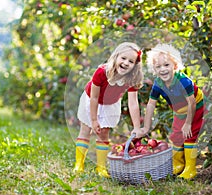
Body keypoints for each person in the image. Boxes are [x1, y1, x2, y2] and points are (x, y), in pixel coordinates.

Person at [74, 42, 144, 177]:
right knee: (85, 130)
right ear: (116, 57)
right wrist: (94, 120)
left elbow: (133, 103)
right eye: (123, 58)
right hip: (91, 101)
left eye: (131, 61)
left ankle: (101, 168)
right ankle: (79, 163)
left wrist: (137, 127)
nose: (126, 63)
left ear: (135, 66)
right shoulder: (102, 72)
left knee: (104, 133)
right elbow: (94, 97)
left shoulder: (131, 78)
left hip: (110, 104)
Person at [138, 43, 204, 179]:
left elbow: (191, 103)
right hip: (179, 109)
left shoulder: (183, 81)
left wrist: (187, 123)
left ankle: (190, 168)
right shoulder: (158, 83)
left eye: (166, 65)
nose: (163, 69)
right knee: (176, 135)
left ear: (175, 65)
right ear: (154, 70)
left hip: (195, 106)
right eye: (158, 67)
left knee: (189, 134)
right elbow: (151, 104)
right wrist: (146, 127)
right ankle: (178, 164)